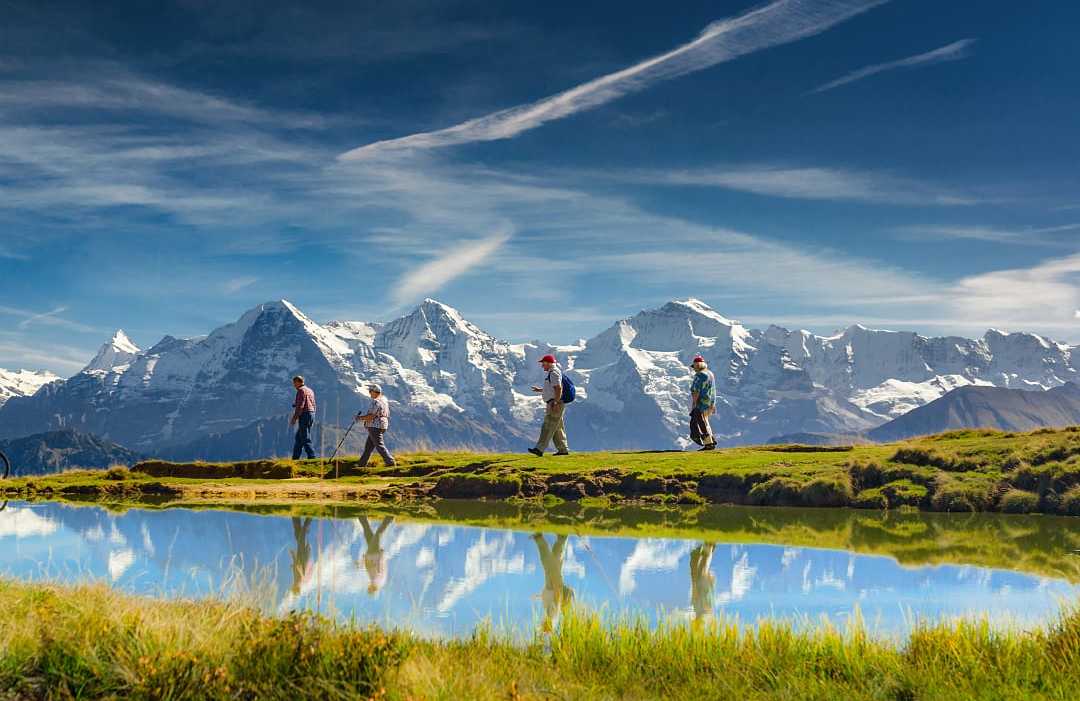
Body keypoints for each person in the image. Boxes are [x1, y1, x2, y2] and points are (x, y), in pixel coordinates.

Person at [532, 533, 574, 633]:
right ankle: (539, 538)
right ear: (547, 624)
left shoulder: (551, 615)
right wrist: (556, 585)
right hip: (553, 584)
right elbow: (556, 598)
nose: (541, 623)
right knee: (546, 561)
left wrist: (539, 596)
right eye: (543, 625)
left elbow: (551, 600)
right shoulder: (551, 615)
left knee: (555, 558)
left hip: (552, 584)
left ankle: (562, 538)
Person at [529, 354, 569, 457]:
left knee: (547, 426)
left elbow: (558, 388)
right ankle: (563, 449)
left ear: (548, 363)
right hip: (555, 402)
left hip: (555, 403)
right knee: (557, 428)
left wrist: (555, 402)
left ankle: (539, 449)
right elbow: (553, 388)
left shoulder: (554, 373)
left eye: (543, 363)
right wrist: (540, 390)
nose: (542, 366)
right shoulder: (553, 373)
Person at [355, 383, 396, 467]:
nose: (369, 393)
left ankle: (390, 462)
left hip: (375, 426)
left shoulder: (376, 401)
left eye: (370, 391)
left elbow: (371, 416)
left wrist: (359, 418)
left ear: (375, 392)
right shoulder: (384, 400)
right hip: (383, 425)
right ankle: (361, 464)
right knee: (369, 447)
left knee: (379, 445)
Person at [689, 355, 717, 451]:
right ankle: (711, 440)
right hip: (710, 403)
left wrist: (694, 404)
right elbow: (713, 390)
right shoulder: (710, 374)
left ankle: (708, 443)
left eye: (694, 367)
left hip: (701, 402)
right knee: (705, 421)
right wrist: (713, 404)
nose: (694, 369)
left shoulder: (699, 375)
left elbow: (695, 391)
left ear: (697, 366)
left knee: (700, 422)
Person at [290, 375, 317, 460]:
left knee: (305, 436)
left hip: (304, 414)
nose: (294, 385)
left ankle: (312, 457)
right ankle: (295, 458)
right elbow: (313, 404)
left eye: (294, 383)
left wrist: (294, 418)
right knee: (299, 437)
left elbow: (300, 406)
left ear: (298, 382)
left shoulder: (301, 391)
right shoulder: (310, 390)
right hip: (311, 414)